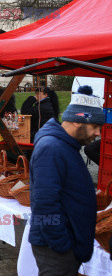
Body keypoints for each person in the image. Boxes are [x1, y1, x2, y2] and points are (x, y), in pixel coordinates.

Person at [29, 85, 103, 275]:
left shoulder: (64, 146)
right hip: (56, 250)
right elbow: (45, 203)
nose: (98, 134)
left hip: (64, 248)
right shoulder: (51, 148)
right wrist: (61, 244)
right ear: (79, 121)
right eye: (95, 126)